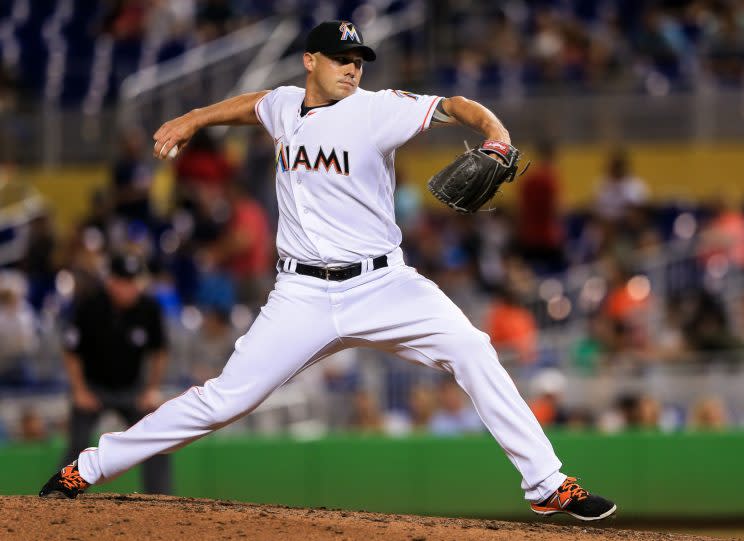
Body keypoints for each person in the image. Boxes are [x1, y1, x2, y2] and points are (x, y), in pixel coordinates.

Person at [40, 20, 615, 521]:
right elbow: (255, 102)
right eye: (341, 59)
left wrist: (497, 133)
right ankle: (87, 467)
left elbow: (454, 106)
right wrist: (195, 117)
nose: (352, 69)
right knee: (223, 401)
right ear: (310, 62)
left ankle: (546, 485)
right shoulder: (285, 105)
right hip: (302, 294)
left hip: (384, 283)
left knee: (471, 347)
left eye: (358, 60)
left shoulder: (379, 109)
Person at [54, 252, 172, 495]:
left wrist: (151, 389)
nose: (129, 288)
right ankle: (64, 493)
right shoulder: (90, 305)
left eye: (133, 281)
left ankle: (160, 499)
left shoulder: (148, 308)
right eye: (123, 281)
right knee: (77, 443)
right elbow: (71, 351)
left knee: (155, 440)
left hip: (132, 389)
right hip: (93, 388)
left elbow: (160, 351)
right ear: (111, 281)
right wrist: (79, 391)